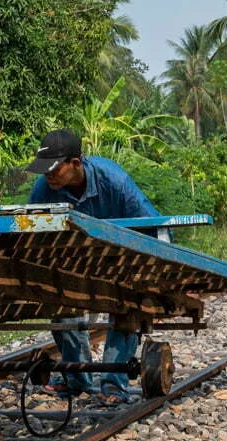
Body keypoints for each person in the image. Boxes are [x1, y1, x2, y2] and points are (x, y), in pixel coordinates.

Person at [24, 128, 157, 403]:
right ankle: (75, 378)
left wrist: (152, 273)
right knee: (63, 310)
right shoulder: (44, 189)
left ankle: (113, 384)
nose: (47, 175)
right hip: (74, 261)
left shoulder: (114, 180)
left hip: (119, 259)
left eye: (53, 169)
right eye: (44, 170)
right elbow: (31, 233)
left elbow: (151, 226)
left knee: (126, 308)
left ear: (75, 163)